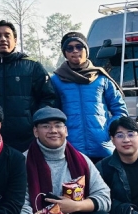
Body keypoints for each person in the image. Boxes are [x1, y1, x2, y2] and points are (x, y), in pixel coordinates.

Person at [0, 20, 58, 152]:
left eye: (7, 35)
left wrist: (34, 121)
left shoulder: (32, 67)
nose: (3, 39)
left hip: (26, 140)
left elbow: (49, 97)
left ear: (15, 40)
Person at [49, 31, 127, 160]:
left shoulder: (101, 78)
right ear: (65, 53)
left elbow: (120, 111)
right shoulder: (56, 80)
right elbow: (52, 114)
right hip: (71, 151)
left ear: (86, 50)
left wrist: (108, 131)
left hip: (103, 150)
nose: (75, 51)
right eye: (69, 48)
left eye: (79, 47)